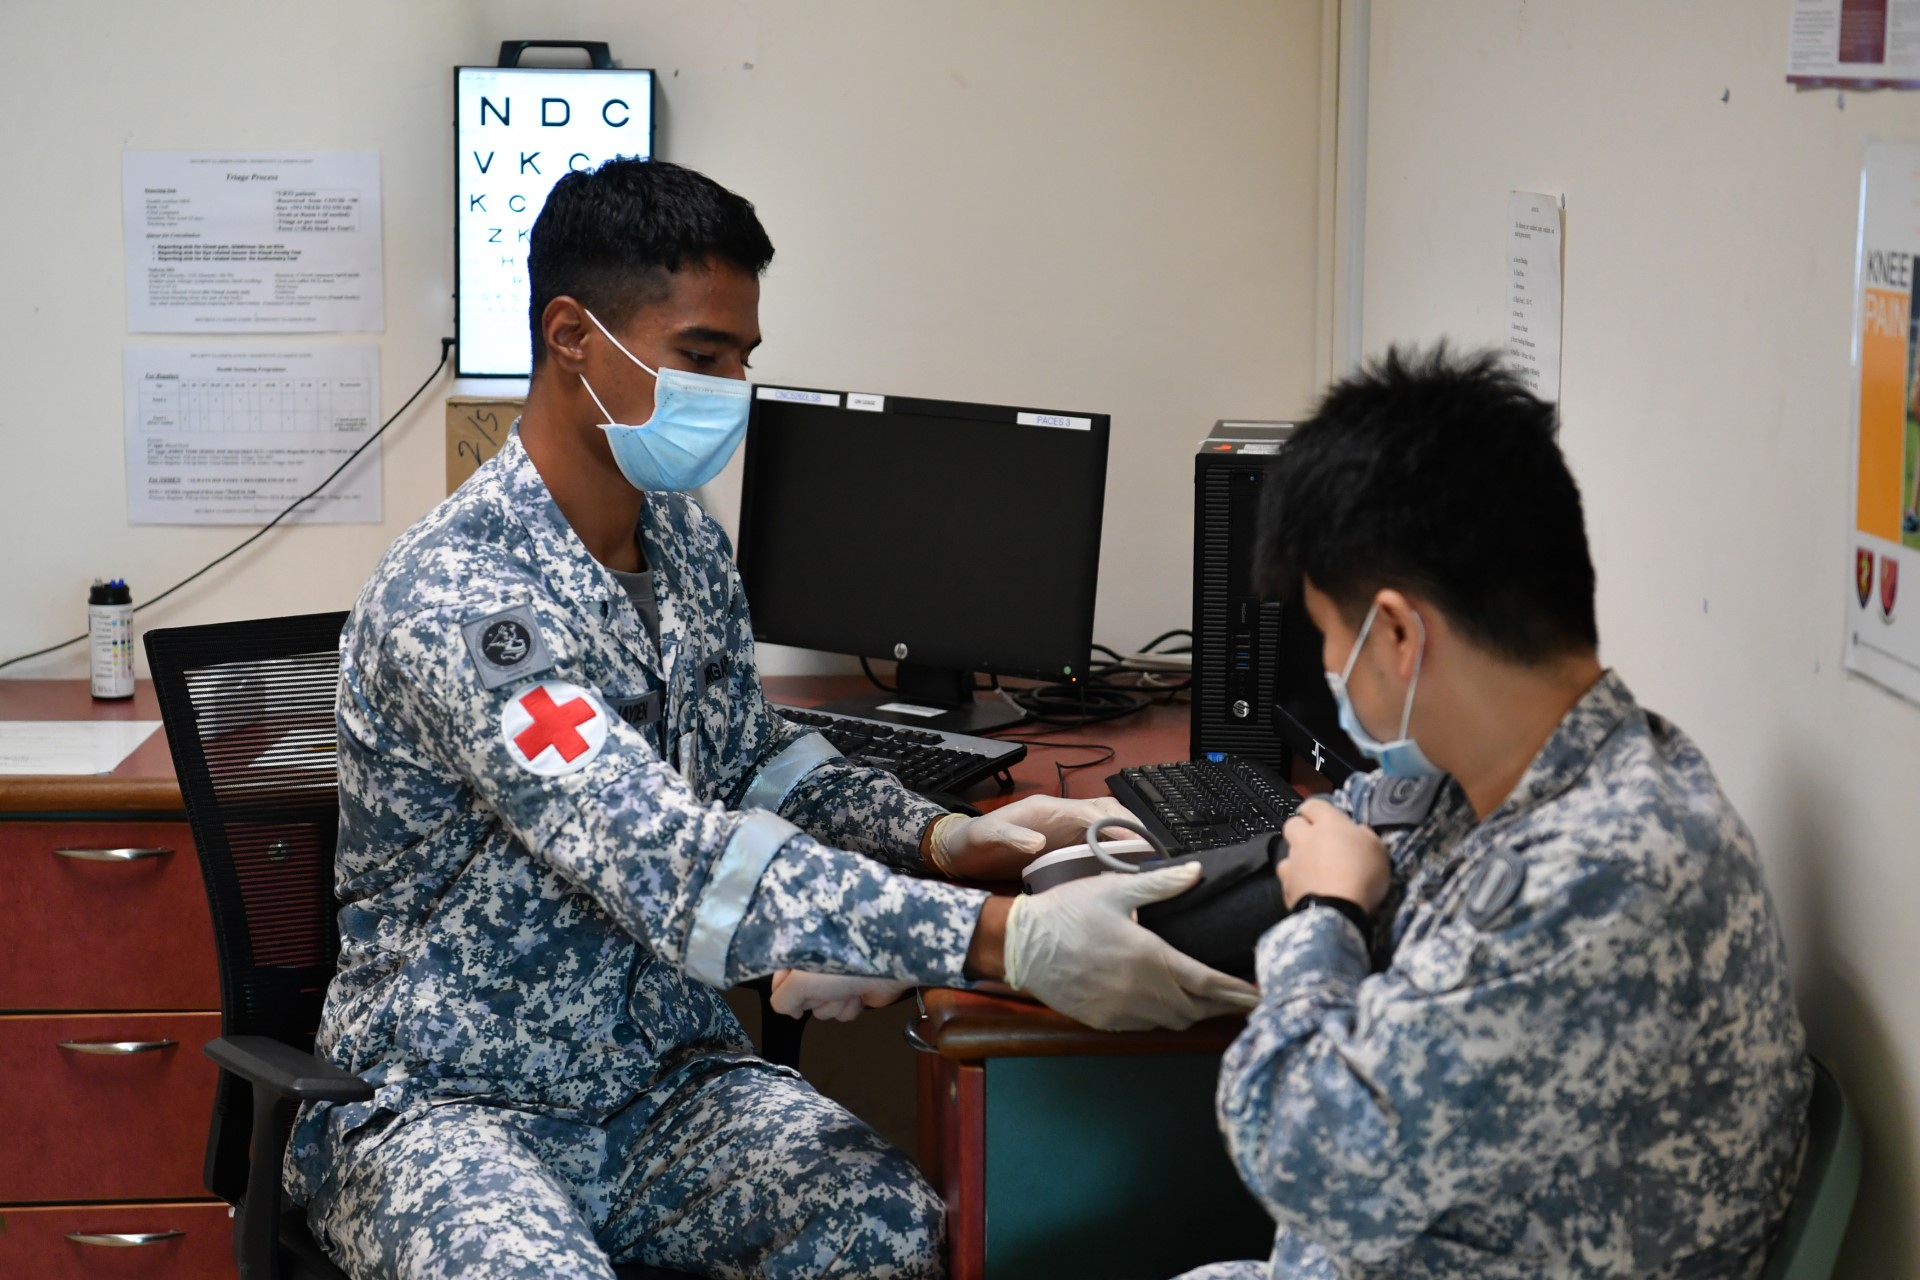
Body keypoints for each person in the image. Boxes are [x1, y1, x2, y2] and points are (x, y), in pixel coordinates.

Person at [287, 157, 1255, 1280]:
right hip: (451, 1106)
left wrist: (945, 836)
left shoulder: (685, 542)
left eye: (744, 358)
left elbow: (750, 759)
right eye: (703, 356)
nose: (734, 390)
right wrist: (1007, 939)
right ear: (572, 336)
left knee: (887, 1229)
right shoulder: (461, 597)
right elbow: (663, 857)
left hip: (659, 1085)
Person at [1183, 348, 1810, 1280]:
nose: (1328, 667)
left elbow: (1301, 1157)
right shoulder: (1501, 780)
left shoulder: (1605, 873)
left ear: (1400, 633)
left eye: (1327, 635)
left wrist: (1326, 916)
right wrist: (1086, 867)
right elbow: (1323, 836)